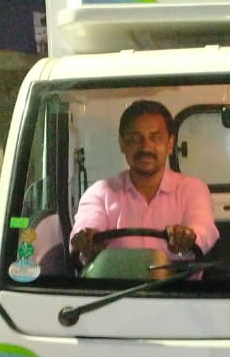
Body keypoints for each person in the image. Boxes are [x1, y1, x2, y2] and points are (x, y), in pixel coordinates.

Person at [70, 100, 219, 265]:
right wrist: (87, 239)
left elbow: (204, 229)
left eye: (156, 137)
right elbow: (86, 227)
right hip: (115, 282)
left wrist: (188, 237)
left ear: (170, 144)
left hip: (179, 282)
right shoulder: (100, 193)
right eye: (134, 138)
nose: (145, 147)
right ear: (122, 144)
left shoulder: (192, 189)